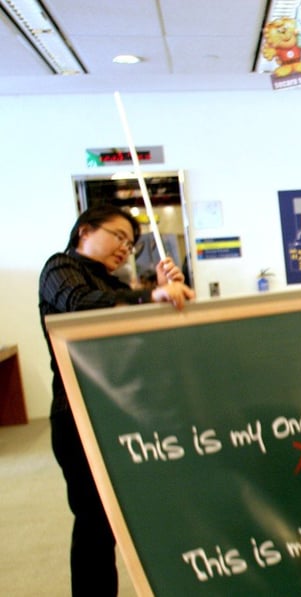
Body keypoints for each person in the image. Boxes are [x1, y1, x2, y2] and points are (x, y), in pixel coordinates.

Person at [38, 203, 194, 595]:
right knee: (94, 520)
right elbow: (80, 305)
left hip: (121, 412)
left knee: (119, 518)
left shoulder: (115, 285)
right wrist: (151, 294)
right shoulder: (60, 268)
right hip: (78, 414)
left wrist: (164, 296)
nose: (125, 248)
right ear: (85, 231)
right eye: (119, 236)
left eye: (131, 244)